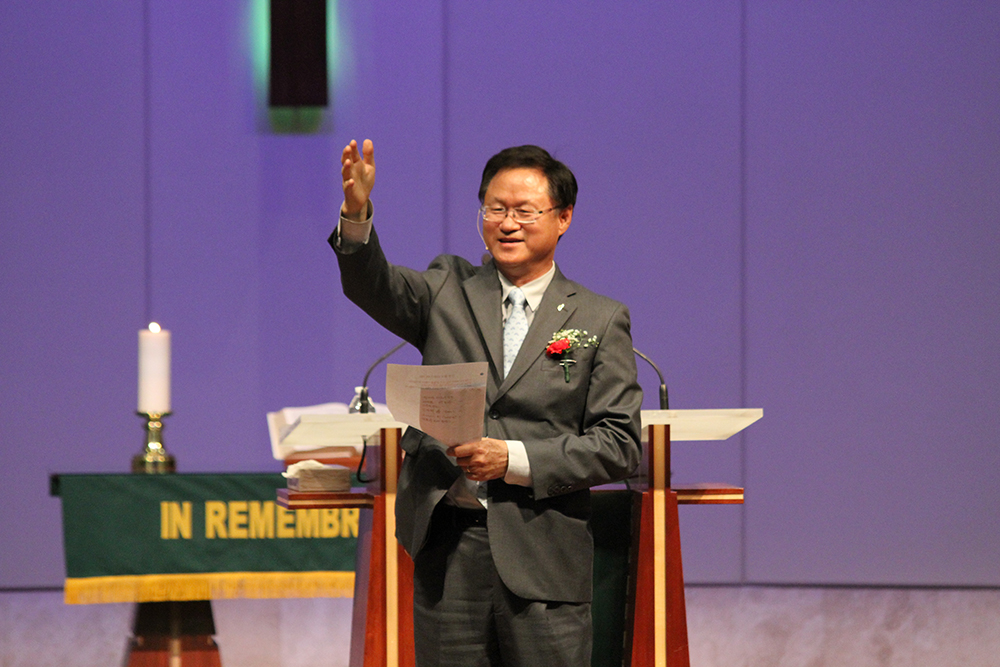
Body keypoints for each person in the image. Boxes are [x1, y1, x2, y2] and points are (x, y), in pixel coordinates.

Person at [331, 139, 642, 667]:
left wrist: (512, 458)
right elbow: (373, 285)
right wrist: (356, 214)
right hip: (450, 551)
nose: (507, 223)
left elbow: (620, 444)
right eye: (495, 209)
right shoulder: (447, 290)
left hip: (544, 553)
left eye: (525, 211)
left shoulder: (598, 318)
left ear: (563, 218)